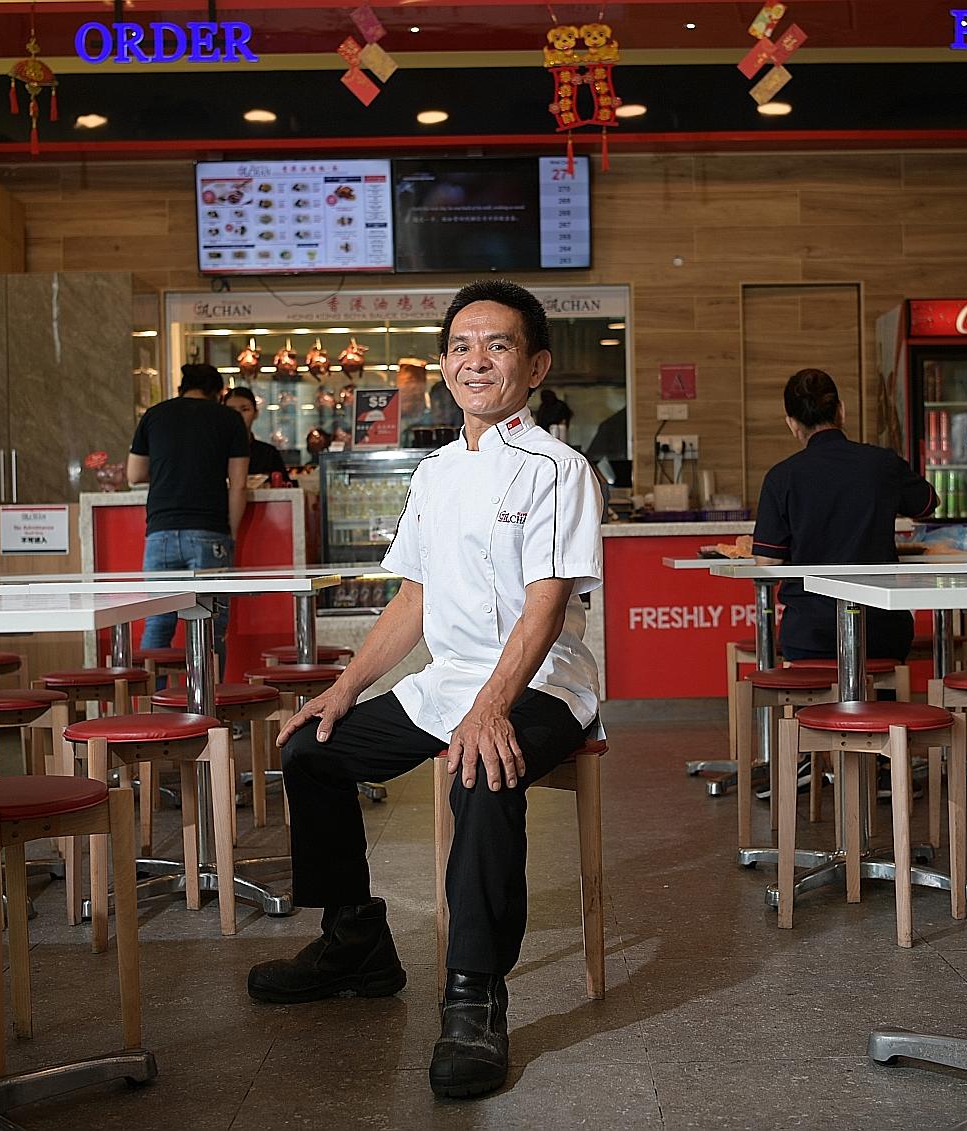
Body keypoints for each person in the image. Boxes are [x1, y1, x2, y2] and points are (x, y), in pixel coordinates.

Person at [245, 280, 604, 1100]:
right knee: (311, 749)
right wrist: (341, 690)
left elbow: (545, 610)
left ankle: (475, 993)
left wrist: (490, 709)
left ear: (536, 364)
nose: (477, 360)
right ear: (444, 366)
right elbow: (412, 599)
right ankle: (355, 941)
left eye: (499, 345)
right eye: (462, 347)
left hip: (543, 679)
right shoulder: (436, 471)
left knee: (480, 765)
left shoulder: (560, 469)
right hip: (449, 680)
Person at [750, 368, 937, 663]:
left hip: (811, 632)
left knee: (811, 699)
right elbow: (927, 504)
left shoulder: (781, 477)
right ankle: (882, 709)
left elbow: (767, 563)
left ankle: (813, 711)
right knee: (882, 699)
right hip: (882, 629)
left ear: (792, 424)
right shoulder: (882, 463)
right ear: (841, 411)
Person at [127, 362, 250, 670]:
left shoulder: (154, 415)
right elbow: (238, 485)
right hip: (209, 532)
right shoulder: (229, 419)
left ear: (182, 386)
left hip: (160, 532)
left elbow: (134, 474)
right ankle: (208, 708)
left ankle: (149, 709)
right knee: (209, 626)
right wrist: (230, 534)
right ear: (218, 392)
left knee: (157, 622)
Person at [223, 386, 288, 477]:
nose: (238, 415)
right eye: (231, 410)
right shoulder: (216, 452)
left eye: (245, 409)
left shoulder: (268, 453)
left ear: (255, 413)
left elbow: (284, 487)